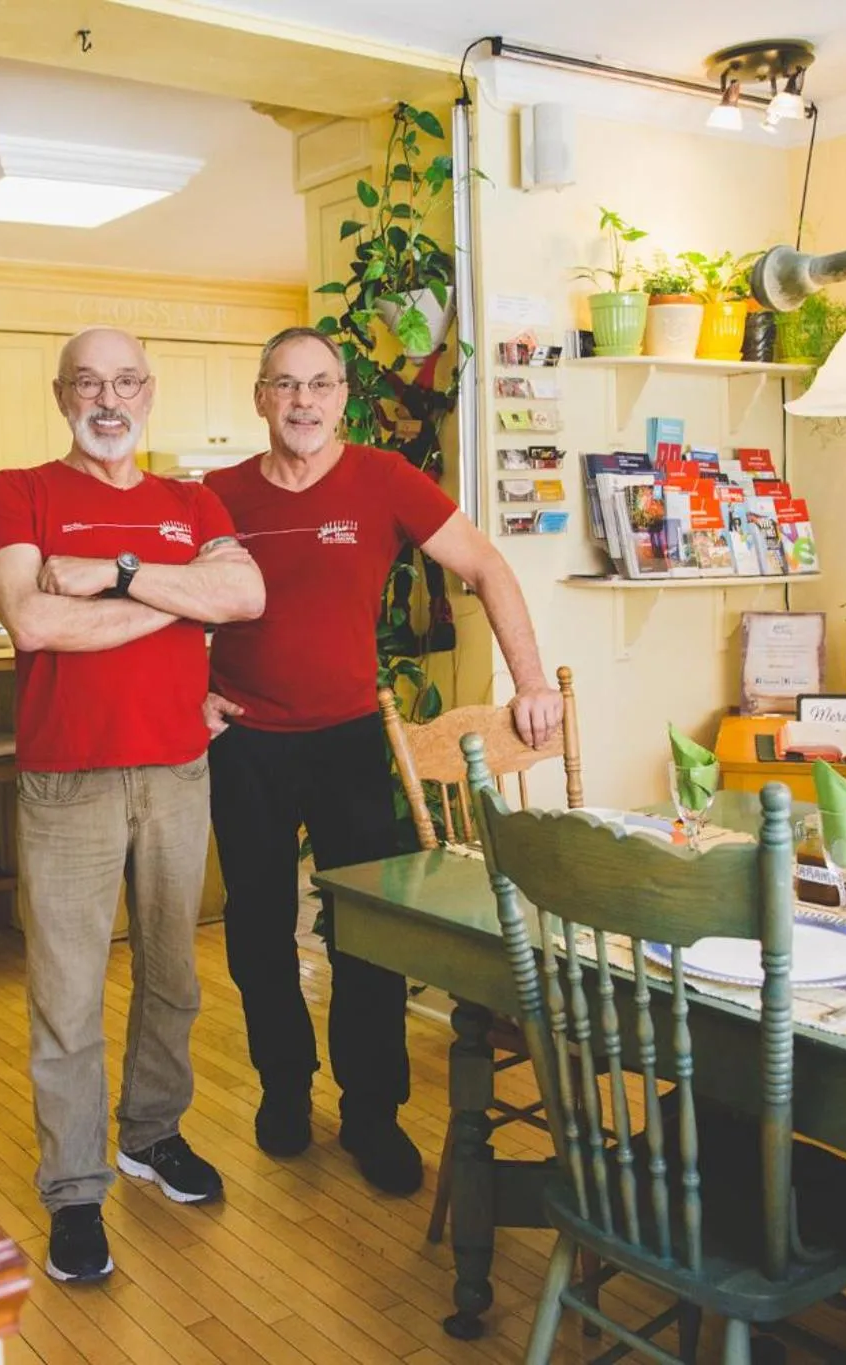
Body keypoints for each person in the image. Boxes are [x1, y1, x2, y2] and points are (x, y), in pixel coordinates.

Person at [201, 325, 561, 1195]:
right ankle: (284, 1089)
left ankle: (372, 1112)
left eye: (320, 384)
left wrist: (531, 681)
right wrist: (190, 692)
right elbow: (169, 607)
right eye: (287, 384)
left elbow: (487, 566)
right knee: (257, 929)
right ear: (261, 396)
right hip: (246, 744)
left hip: (349, 739)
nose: (304, 401)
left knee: (368, 928)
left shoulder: (385, 480)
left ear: (342, 398)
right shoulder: (217, 495)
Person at [0, 326, 265, 1284]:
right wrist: (184, 599)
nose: (110, 399)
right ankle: (73, 1190)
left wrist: (120, 575)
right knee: (67, 997)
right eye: (90, 382)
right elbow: (34, 619)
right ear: (63, 395)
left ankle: (151, 1133)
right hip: (70, 778)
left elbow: (247, 592)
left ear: (149, 392)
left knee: (175, 975)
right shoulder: (19, 491)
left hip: (178, 770)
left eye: (127, 381)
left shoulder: (191, 500)